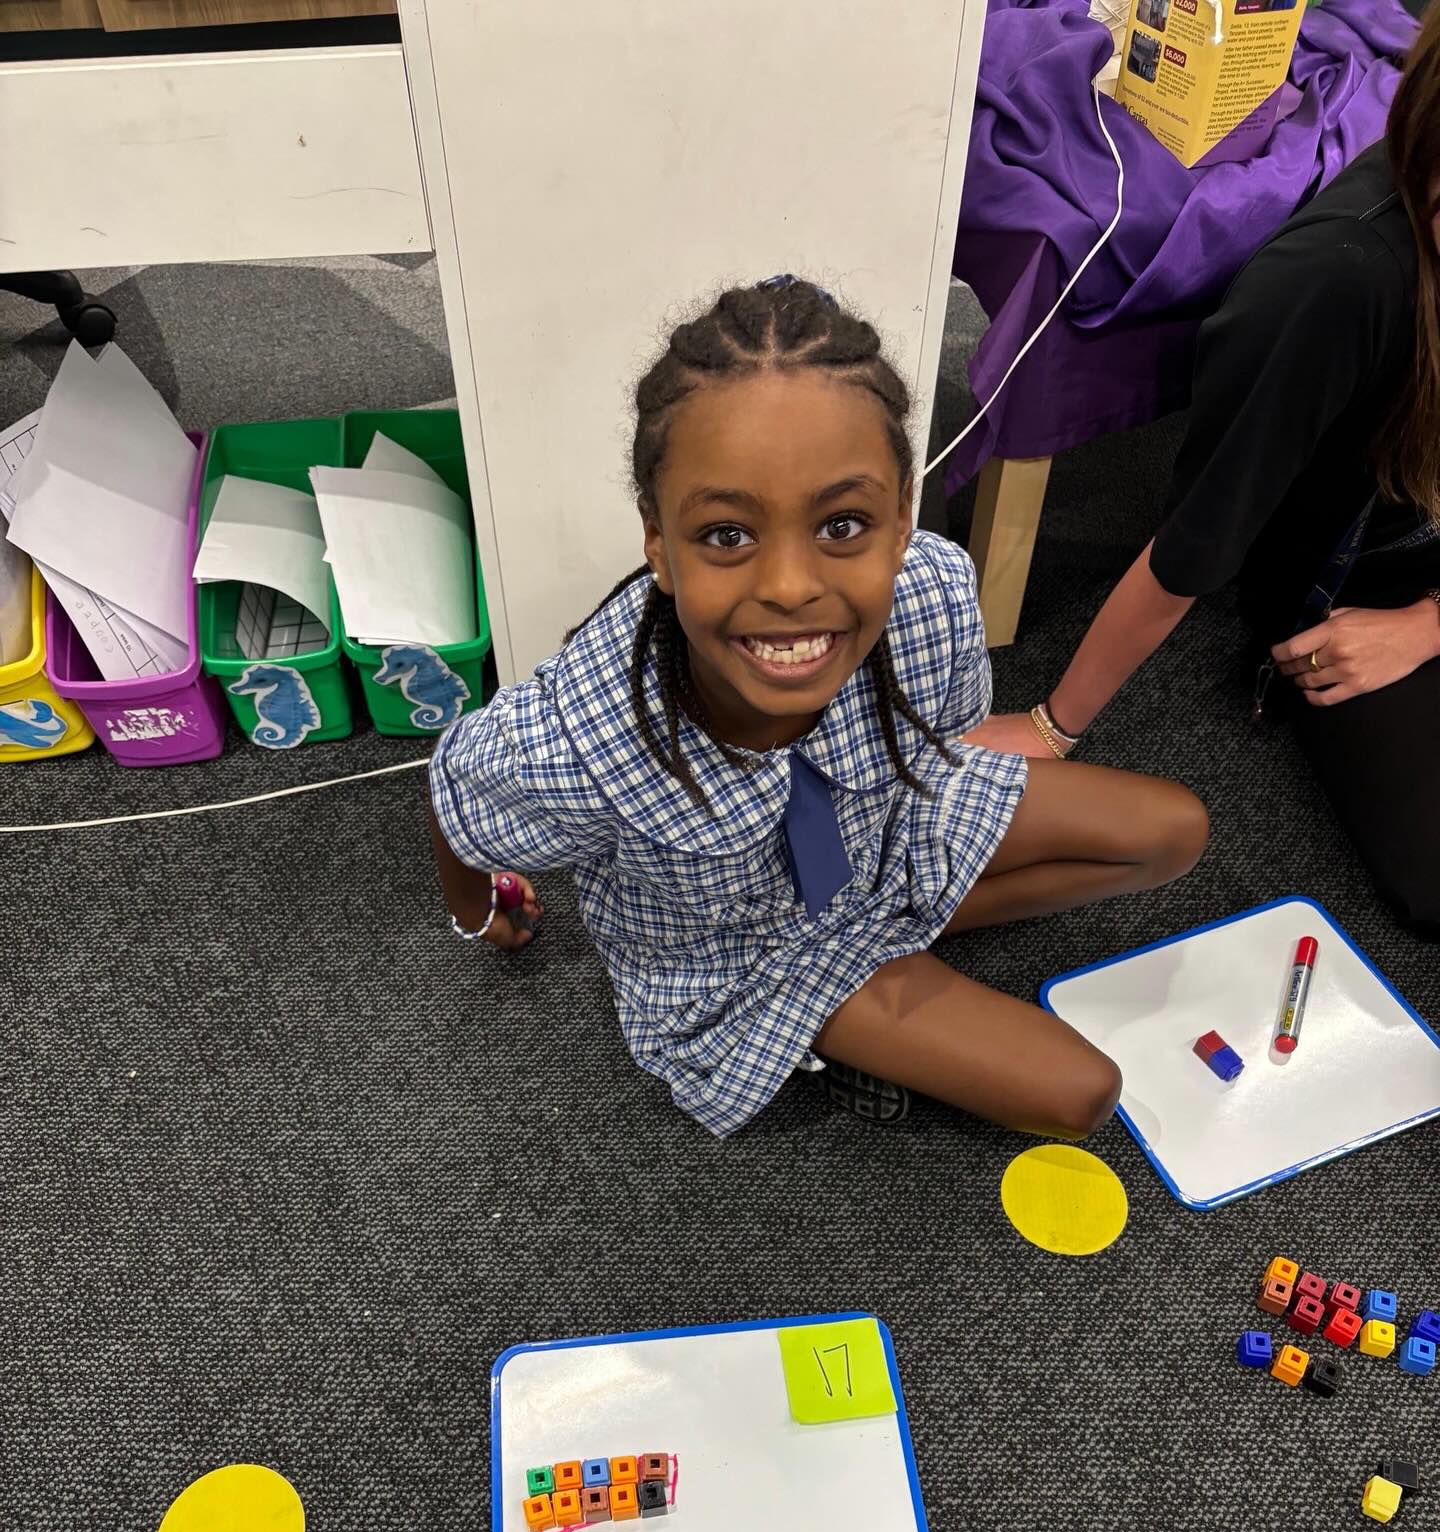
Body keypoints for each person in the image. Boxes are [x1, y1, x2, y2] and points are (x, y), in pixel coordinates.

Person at [427, 279, 1208, 1139]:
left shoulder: (934, 596)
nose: (793, 588)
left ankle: (893, 939)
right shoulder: (576, 740)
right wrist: (479, 914)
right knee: (1081, 1094)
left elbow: (945, 741)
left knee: (1175, 830)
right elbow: (454, 794)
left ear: (902, 518)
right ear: (657, 539)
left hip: (885, 837)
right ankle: (836, 1004)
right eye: (728, 535)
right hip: (743, 958)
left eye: (842, 525)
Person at [969, 5, 1440, 936]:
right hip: (1361, 570)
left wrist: (1431, 628)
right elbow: (1194, 542)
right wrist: (1056, 726)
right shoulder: (1334, 283)